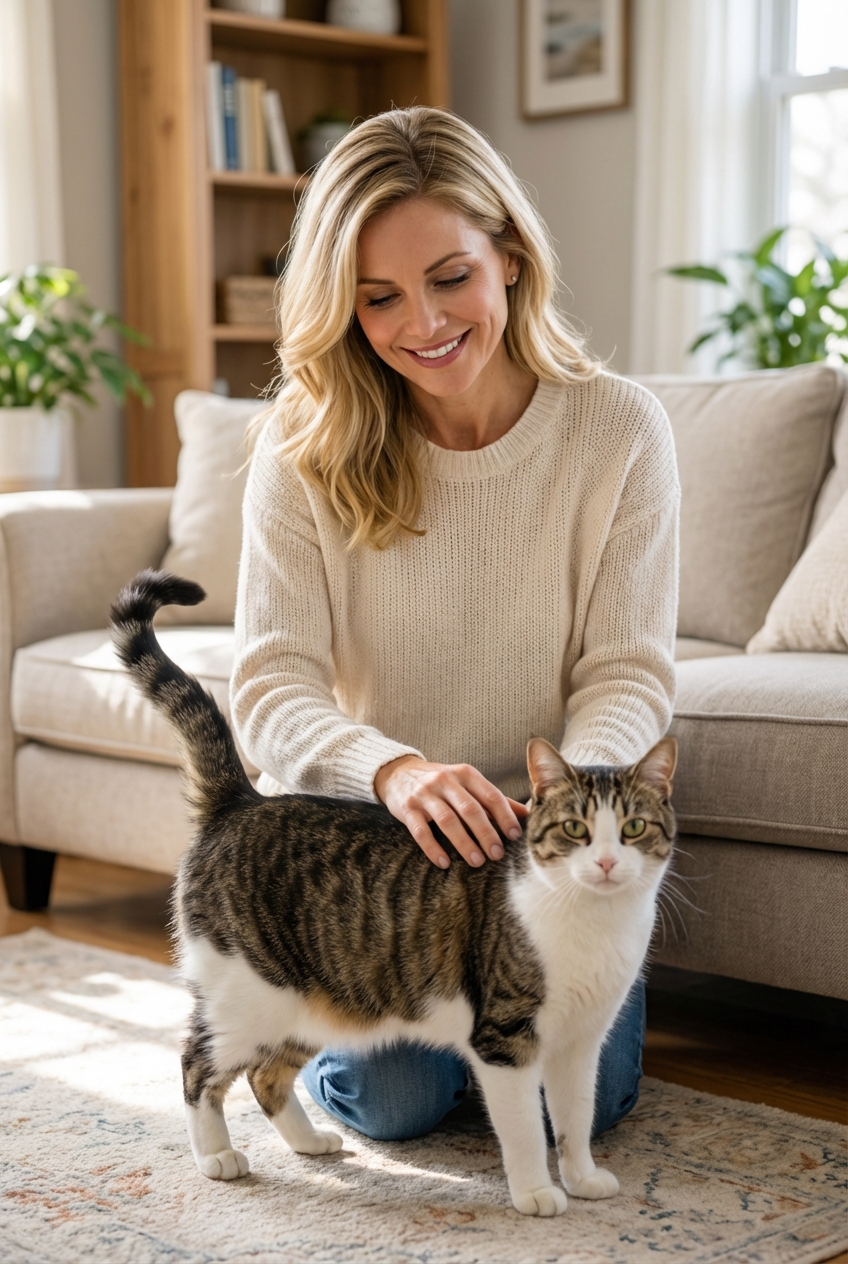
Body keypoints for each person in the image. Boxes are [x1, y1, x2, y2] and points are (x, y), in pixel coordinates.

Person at [231, 106, 679, 1143]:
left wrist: (560, 808)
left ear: (510, 257)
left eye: (449, 277)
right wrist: (393, 772)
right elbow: (269, 689)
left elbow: (626, 671)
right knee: (396, 1107)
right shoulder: (301, 449)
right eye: (376, 298)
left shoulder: (619, 430)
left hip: (547, 843)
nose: (420, 324)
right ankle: (274, 1003)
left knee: (589, 1102)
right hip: (388, 850)